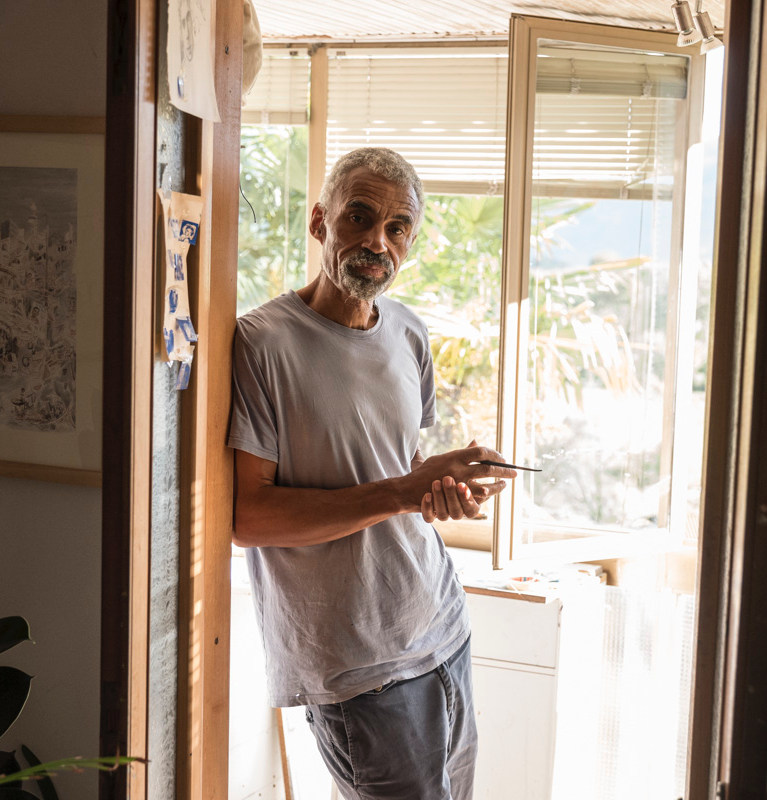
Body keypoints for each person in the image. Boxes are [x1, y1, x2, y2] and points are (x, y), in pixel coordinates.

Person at [227, 146, 516, 800]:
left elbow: (395, 473)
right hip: (359, 665)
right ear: (319, 221)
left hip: (442, 626)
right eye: (359, 217)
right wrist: (405, 489)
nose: (376, 241)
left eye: (397, 227)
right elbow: (249, 518)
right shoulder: (263, 342)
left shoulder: (409, 334)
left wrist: (442, 490)